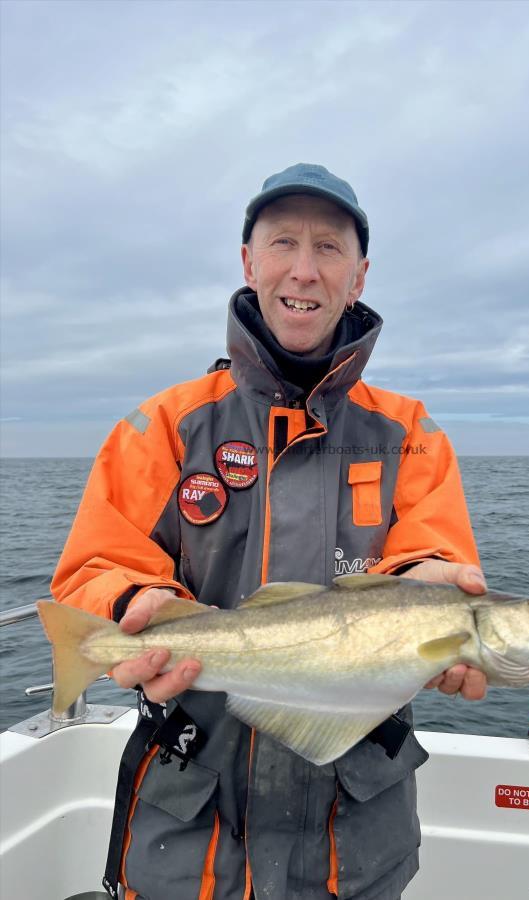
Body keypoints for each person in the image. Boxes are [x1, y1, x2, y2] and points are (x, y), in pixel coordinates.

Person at [51, 163, 487, 900]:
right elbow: (95, 565)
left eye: (329, 248)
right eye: (283, 242)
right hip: (189, 828)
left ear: (359, 275)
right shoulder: (162, 424)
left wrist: (427, 592)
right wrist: (133, 603)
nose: (304, 269)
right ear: (248, 262)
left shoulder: (411, 432)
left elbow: (432, 556)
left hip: (355, 835)